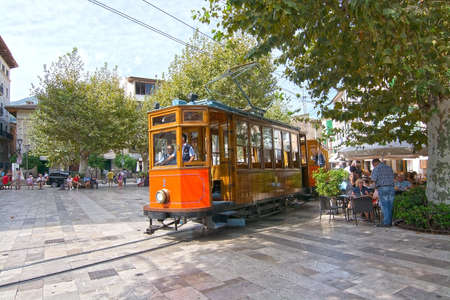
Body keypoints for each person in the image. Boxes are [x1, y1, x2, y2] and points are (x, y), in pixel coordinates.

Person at [371, 158, 395, 227]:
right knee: (390, 205)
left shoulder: (376, 168)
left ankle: (386, 223)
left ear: (375, 163)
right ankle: (389, 222)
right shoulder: (389, 167)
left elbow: (373, 179)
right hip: (391, 187)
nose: (373, 166)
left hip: (382, 187)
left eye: (373, 165)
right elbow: (393, 177)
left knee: (384, 206)